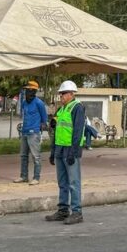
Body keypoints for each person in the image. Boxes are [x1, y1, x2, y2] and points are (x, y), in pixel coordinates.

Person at [45, 80, 86, 225]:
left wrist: (73, 152)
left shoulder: (77, 108)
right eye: (60, 94)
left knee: (74, 182)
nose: (61, 96)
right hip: (60, 148)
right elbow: (56, 131)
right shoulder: (61, 110)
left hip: (70, 149)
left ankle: (77, 212)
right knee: (62, 182)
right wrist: (52, 151)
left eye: (63, 94)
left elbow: (78, 132)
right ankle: (63, 210)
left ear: (71, 94)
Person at [14, 80, 48, 185]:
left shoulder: (39, 103)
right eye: (25, 91)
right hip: (24, 131)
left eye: (28, 90)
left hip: (34, 133)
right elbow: (23, 115)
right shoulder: (24, 103)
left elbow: (44, 119)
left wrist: (40, 132)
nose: (26, 93)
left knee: (36, 156)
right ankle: (23, 176)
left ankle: (36, 178)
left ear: (33, 91)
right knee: (23, 156)